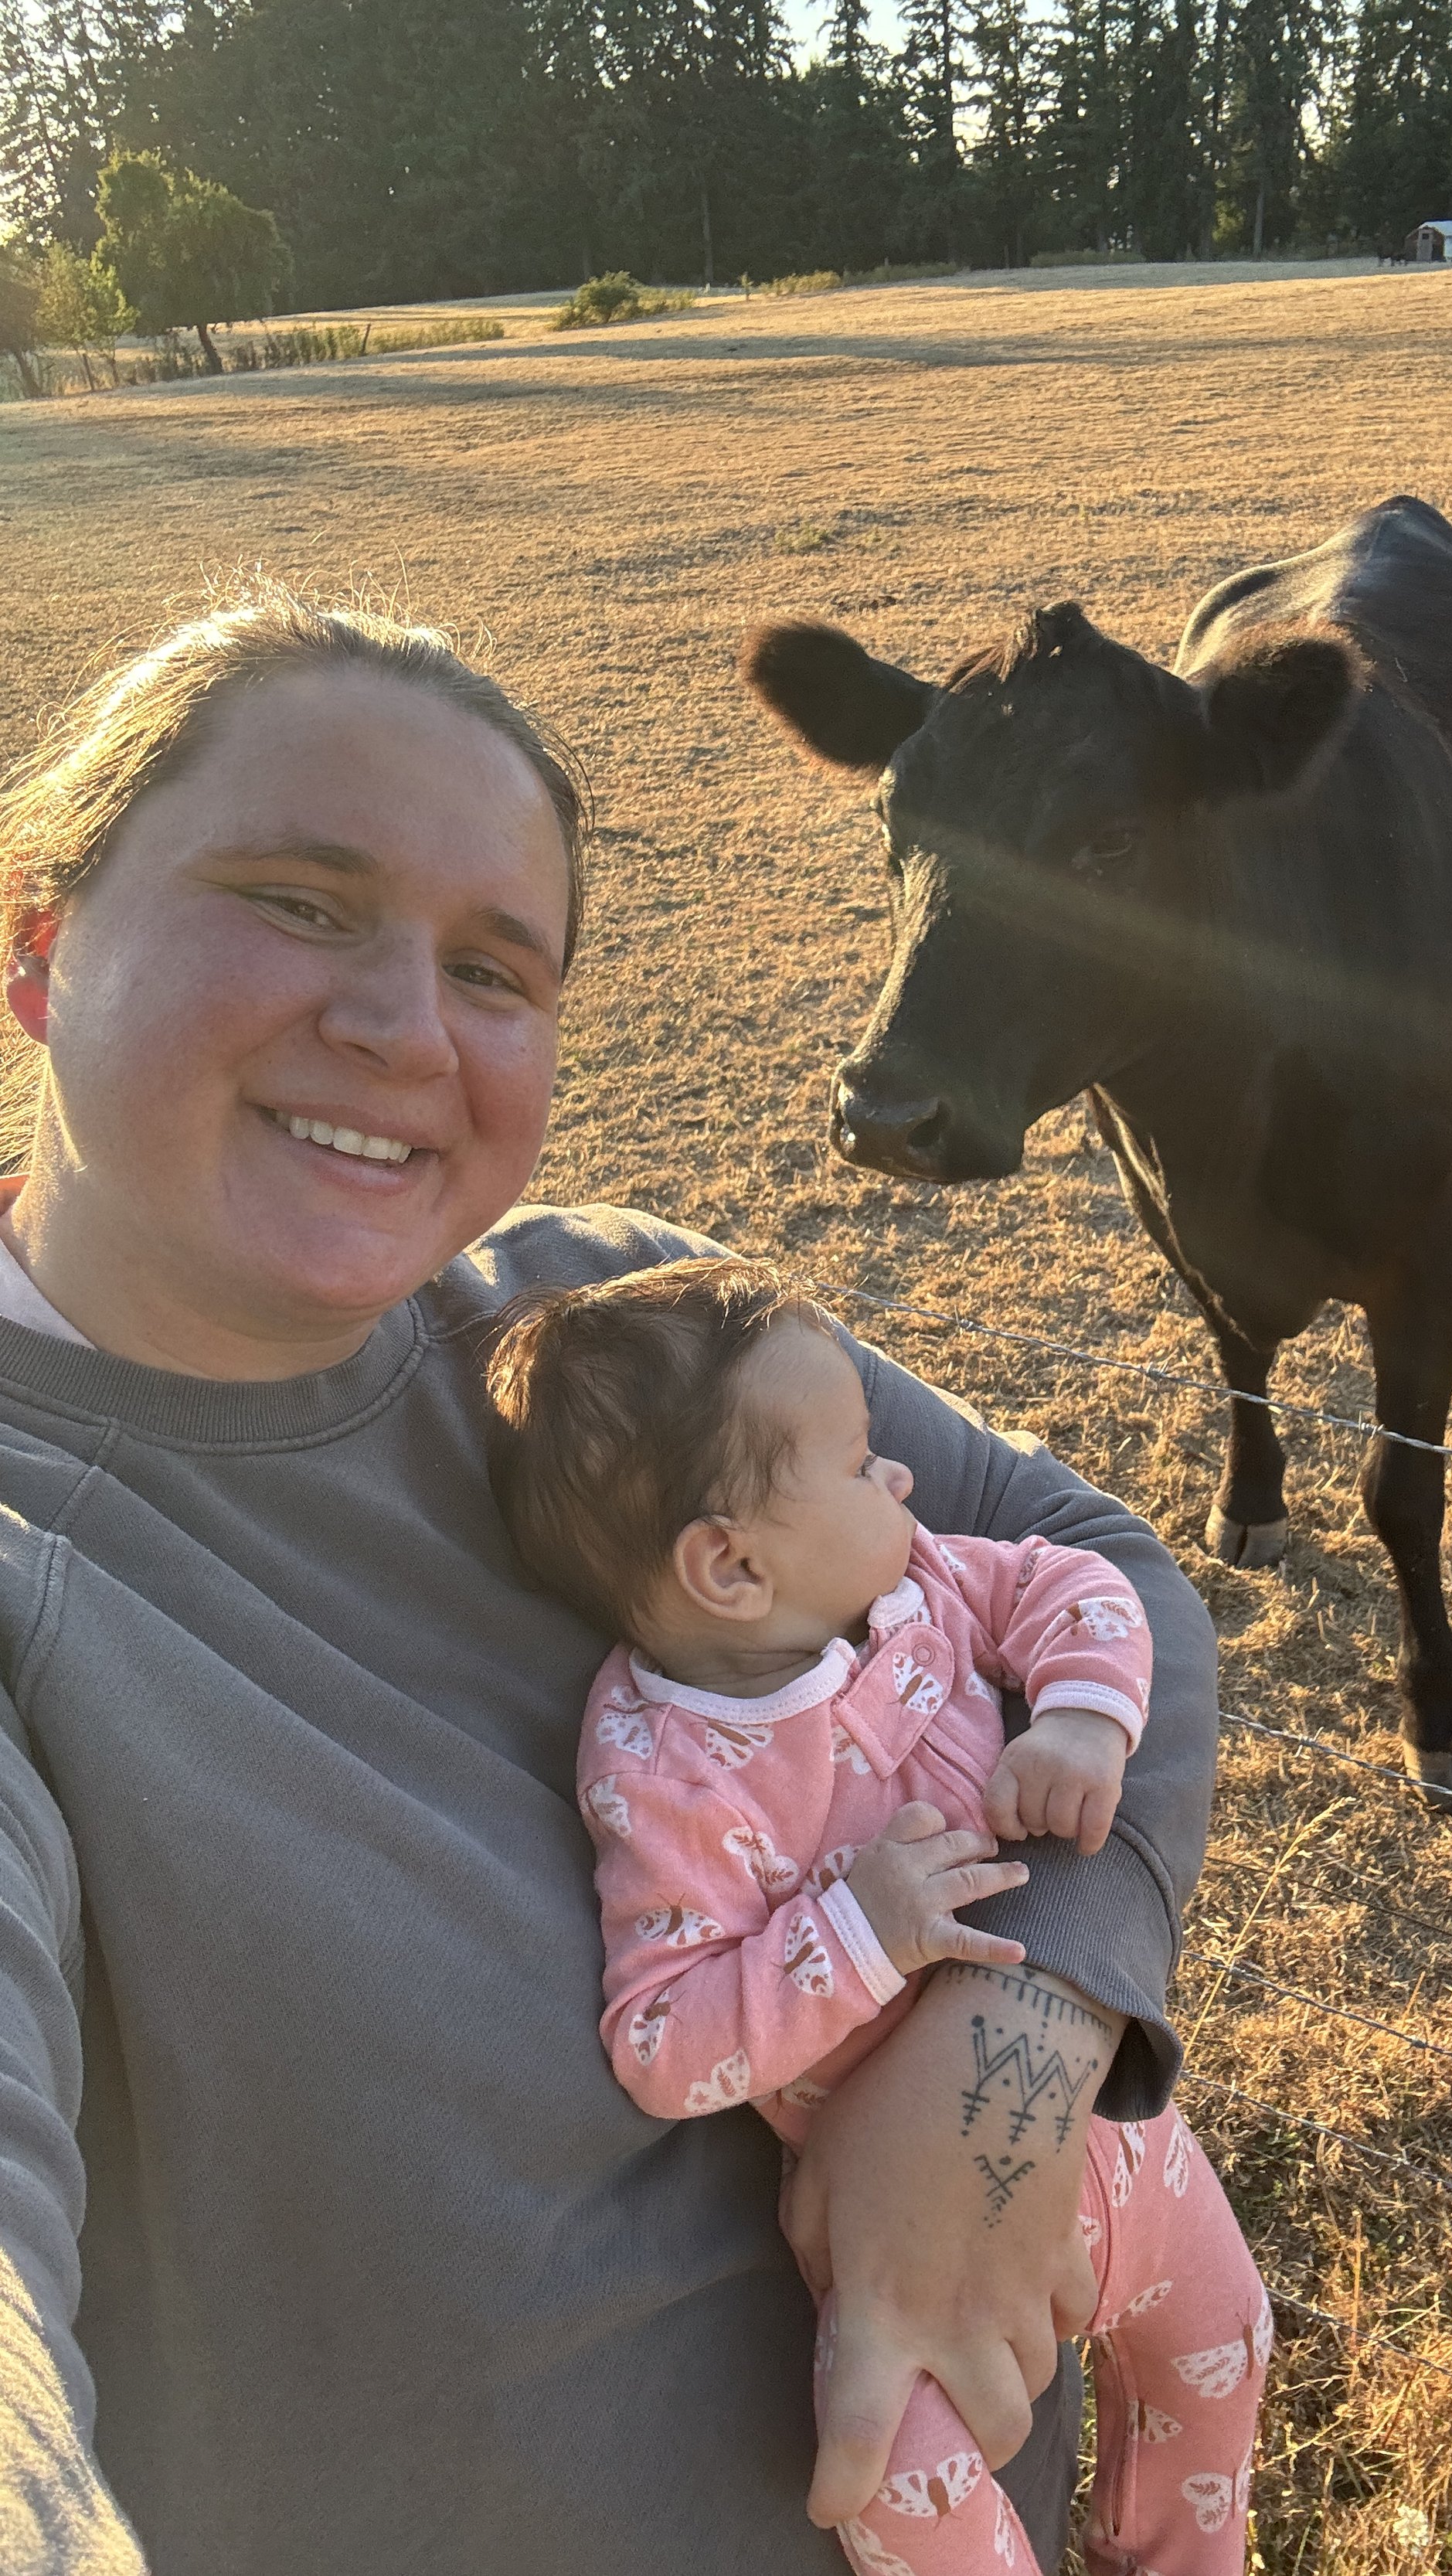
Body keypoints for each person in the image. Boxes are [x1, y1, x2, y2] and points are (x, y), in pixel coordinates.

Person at [0, 587, 1223, 2574]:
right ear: (41, 941)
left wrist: (1001, 2048)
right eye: (300, 902)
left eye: (496, 966)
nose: (404, 1028)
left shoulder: (602, 1327)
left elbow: (1084, 1560)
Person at [486, 1258, 1269, 2574]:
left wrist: (1081, 1718)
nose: (899, 1477)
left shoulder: (922, 1585)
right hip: (889, 2260)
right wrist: (858, 1930)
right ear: (730, 1565)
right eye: (860, 1465)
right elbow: (663, 2040)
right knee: (893, 2487)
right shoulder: (666, 1777)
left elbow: (1076, 1585)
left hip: (1116, 2135)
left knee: (1225, 2337)